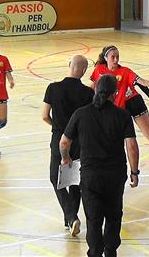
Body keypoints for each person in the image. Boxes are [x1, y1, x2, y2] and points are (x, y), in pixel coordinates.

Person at [60, 75, 139, 257]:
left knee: (93, 219)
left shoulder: (80, 114)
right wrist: (134, 172)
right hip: (115, 176)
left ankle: (94, 252)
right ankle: (110, 251)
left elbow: (64, 142)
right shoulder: (122, 115)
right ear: (115, 93)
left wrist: (65, 159)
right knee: (113, 217)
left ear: (95, 89)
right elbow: (132, 146)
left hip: (90, 177)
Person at [90, 45, 149, 173]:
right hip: (118, 107)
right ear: (106, 58)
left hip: (134, 102)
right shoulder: (99, 70)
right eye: (113, 57)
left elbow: (140, 82)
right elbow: (93, 87)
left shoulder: (125, 71)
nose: (116, 60)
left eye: (117, 57)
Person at [42, 55, 94, 235]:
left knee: (54, 177)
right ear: (84, 71)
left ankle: (71, 217)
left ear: (69, 65)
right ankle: (70, 218)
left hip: (59, 138)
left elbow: (44, 115)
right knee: (75, 180)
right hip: (79, 140)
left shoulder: (53, 88)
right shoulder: (88, 93)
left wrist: (57, 126)